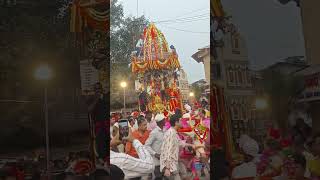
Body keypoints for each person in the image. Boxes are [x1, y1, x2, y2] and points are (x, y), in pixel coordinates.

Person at [160, 114, 194, 180]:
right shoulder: (171, 133)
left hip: (175, 160)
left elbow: (179, 142)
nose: (182, 122)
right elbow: (168, 151)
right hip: (169, 163)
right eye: (180, 121)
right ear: (176, 122)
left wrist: (191, 145)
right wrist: (167, 168)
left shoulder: (173, 132)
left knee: (184, 173)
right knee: (178, 176)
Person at [86, 82, 108, 160]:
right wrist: (96, 99)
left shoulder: (106, 97)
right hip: (98, 125)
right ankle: (103, 159)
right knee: (100, 144)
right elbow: (89, 110)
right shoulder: (91, 99)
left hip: (107, 124)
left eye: (99, 88)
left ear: (101, 89)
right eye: (96, 89)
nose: (97, 90)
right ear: (94, 90)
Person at [145, 113, 166, 179]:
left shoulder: (165, 130)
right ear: (161, 122)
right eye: (164, 120)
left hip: (164, 160)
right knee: (158, 177)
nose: (165, 121)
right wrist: (155, 154)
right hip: (157, 162)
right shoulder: (154, 132)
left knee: (165, 176)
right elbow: (146, 145)